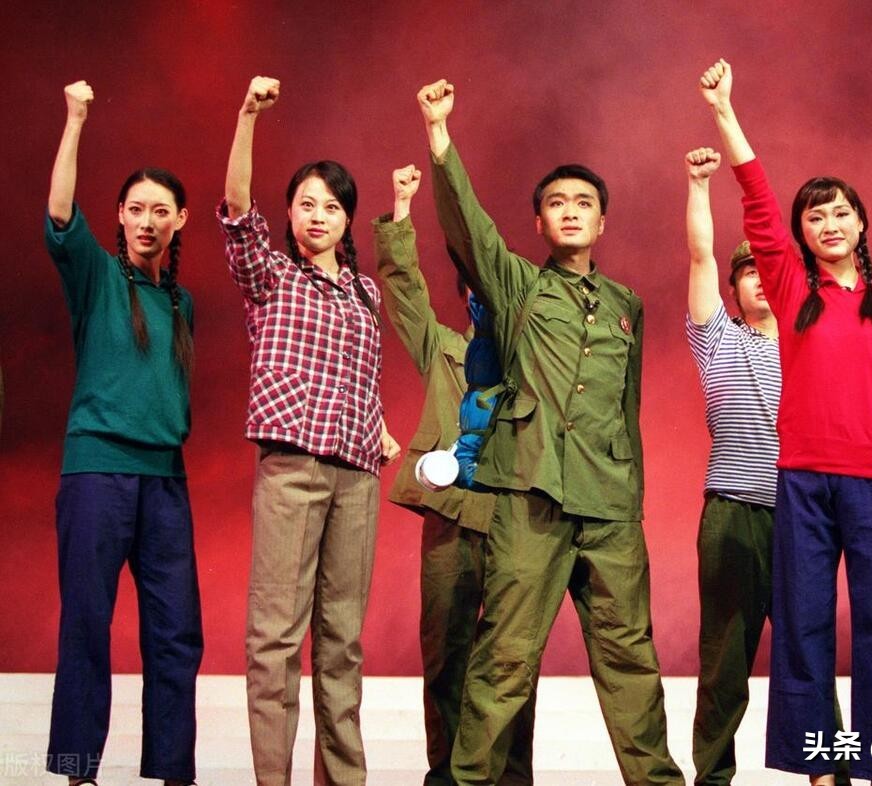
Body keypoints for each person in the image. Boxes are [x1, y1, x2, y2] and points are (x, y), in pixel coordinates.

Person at [418, 78, 684, 786]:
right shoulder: (518, 286)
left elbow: (626, 408)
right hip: (530, 493)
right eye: (557, 203)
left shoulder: (627, 304)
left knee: (631, 661)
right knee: (504, 659)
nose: (570, 211)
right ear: (538, 223)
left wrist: (631, 498)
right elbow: (469, 230)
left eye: (583, 202)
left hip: (610, 505)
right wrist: (440, 138)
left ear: (602, 222)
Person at [699, 59, 872, 786]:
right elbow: (756, 197)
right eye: (815, 216)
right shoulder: (788, 287)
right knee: (804, 628)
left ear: (861, 222)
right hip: (804, 484)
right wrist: (724, 111)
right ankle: (819, 768)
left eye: (840, 212)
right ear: (801, 234)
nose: (829, 224)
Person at [218, 76, 399, 786]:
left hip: (357, 478)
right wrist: (247, 116)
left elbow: (358, 379)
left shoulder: (365, 294)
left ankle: (343, 779)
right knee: (275, 639)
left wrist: (380, 428)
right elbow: (237, 210)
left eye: (332, 206)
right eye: (306, 203)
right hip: (292, 470)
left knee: (342, 642)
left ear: (347, 219)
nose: (318, 215)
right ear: (289, 213)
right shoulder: (271, 276)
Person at [44, 80, 201, 786]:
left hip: (165, 481)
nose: (146, 220)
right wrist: (76, 119)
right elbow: (59, 212)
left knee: (176, 634)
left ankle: (172, 770)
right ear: (118, 216)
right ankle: (79, 771)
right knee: (87, 623)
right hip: (97, 474)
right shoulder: (97, 278)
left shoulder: (181, 303)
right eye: (135, 208)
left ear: (179, 220)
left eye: (160, 210)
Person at [372, 164, 534, 786]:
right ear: (467, 296)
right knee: (445, 653)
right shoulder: (444, 348)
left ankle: (512, 778)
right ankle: (444, 775)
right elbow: (405, 292)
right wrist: (402, 210)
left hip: (516, 520)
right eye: (476, 290)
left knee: (513, 661)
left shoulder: (532, 366)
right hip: (451, 517)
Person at [683, 146, 781, 786]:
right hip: (731, 514)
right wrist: (698, 185)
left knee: (809, 654)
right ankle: (713, 778)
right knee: (724, 660)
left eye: (769, 269)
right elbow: (701, 255)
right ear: (734, 287)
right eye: (748, 272)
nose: (760, 279)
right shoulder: (718, 336)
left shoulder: (811, 343)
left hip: (801, 513)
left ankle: (829, 775)